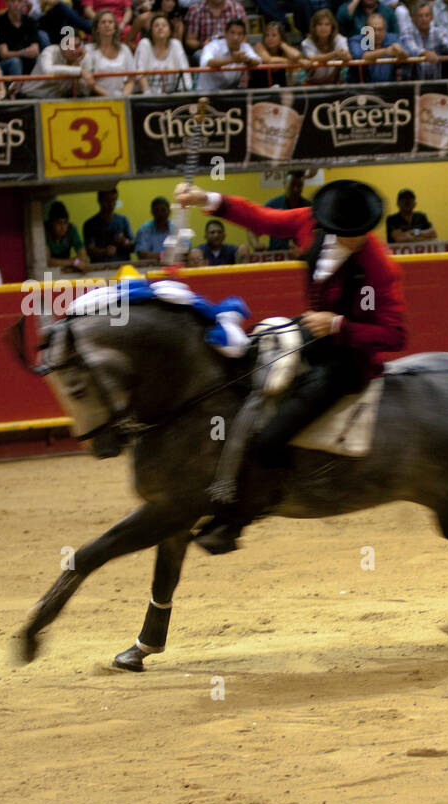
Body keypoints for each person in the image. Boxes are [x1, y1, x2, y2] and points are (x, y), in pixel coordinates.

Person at [173, 178, 407, 555]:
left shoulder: (378, 267)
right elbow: (261, 219)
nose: (359, 239)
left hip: (347, 362)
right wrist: (208, 199)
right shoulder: (310, 223)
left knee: (271, 437)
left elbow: (395, 335)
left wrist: (338, 325)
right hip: (310, 335)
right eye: (351, 234)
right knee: (239, 368)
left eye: (363, 233)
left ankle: (238, 519)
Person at [400, 0, 448, 79]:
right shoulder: (407, 32)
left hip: (435, 80)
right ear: (413, 19)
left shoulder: (437, 31)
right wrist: (424, 53)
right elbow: (411, 48)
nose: (424, 19)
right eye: (420, 16)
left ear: (432, 17)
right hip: (412, 81)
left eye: (427, 15)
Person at [18, 26, 86, 97]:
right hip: (29, 98)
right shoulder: (49, 51)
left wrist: (76, 65)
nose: (74, 51)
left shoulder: (80, 58)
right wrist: (78, 71)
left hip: (54, 101)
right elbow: (48, 71)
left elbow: (83, 91)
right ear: (60, 45)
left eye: (77, 46)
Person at [257, 169, 313, 252]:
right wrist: (256, 244)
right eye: (292, 184)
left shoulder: (309, 208)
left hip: (302, 256)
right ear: (284, 184)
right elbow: (253, 228)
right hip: (277, 258)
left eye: (300, 185)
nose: (296, 189)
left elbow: (318, 234)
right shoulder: (273, 205)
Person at [84, 8, 136, 95]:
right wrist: (110, 99)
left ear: (115, 28)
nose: (107, 25)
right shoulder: (89, 50)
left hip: (122, 98)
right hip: (97, 99)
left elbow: (131, 80)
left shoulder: (124, 49)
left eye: (110, 22)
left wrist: (122, 98)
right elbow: (89, 81)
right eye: (103, 22)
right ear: (97, 28)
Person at [197, 18, 259, 89]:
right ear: (226, 33)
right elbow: (207, 62)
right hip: (207, 92)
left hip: (230, 93)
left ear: (244, 36)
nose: (235, 37)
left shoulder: (245, 47)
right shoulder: (212, 46)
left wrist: (247, 60)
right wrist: (232, 59)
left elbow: (258, 61)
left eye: (239, 34)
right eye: (232, 33)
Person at [135, 12, 190, 92]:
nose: (160, 28)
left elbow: (184, 70)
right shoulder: (144, 44)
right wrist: (148, 94)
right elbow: (139, 73)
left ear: (170, 30)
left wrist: (184, 92)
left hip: (172, 96)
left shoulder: (175, 44)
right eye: (156, 25)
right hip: (146, 97)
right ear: (151, 30)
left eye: (164, 25)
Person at [350, 10, 406, 80]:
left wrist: (400, 52)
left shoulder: (393, 38)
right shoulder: (356, 40)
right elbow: (359, 56)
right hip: (362, 88)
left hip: (390, 87)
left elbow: (409, 54)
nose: (377, 33)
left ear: (385, 30)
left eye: (380, 29)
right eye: (373, 30)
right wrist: (385, 51)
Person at [84, 188, 135, 262]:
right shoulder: (90, 224)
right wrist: (104, 251)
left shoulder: (123, 220)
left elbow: (133, 245)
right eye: (107, 200)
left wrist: (124, 241)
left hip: (123, 266)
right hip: (100, 268)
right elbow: (89, 250)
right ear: (99, 201)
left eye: (113, 200)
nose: (110, 204)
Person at [301, 8, 350, 84]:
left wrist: (345, 55)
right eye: (320, 24)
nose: (323, 28)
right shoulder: (306, 42)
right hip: (312, 84)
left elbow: (348, 57)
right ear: (314, 27)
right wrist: (335, 54)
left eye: (327, 24)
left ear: (332, 27)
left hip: (335, 83)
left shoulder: (339, 39)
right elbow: (313, 58)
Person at [0, 0, 40, 77]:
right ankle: (16, 88)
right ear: (6, 3)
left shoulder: (30, 22)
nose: (15, 4)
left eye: (19, 1)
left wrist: (30, 52)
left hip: (26, 61)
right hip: (6, 63)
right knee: (15, 62)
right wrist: (22, 53)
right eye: (12, 1)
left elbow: (36, 49)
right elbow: (3, 54)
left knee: (38, 59)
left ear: (24, 3)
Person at [252, 19, 300, 87]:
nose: (270, 38)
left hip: (280, 85)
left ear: (281, 37)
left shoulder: (284, 49)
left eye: (274, 35)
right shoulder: (259, 46)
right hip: (260, 87)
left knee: (288, 94)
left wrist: (282, 44)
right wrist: (290, 61)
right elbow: (268, 60)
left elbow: (296, 55)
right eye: (267, 35)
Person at [45, 201, 87, 271]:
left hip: (65, 271)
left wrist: (74, 262)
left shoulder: (71, 230)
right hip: (48, 273)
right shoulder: (44, 232)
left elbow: (83, 257)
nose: (63, 227)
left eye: (65, 223)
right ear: (51, 223)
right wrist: (73, 261)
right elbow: (48, 261)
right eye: (59, 223)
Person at [135, 195, 174, 260]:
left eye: (163, 210)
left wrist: (156, 255)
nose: (160, 213)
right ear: (152, 212)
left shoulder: (176, 229)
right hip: (150, 267)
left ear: (169, 211)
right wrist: (164, 255)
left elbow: (185, 252)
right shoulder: (144, 230)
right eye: (157, 210)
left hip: (174, 267)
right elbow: (142, 255)